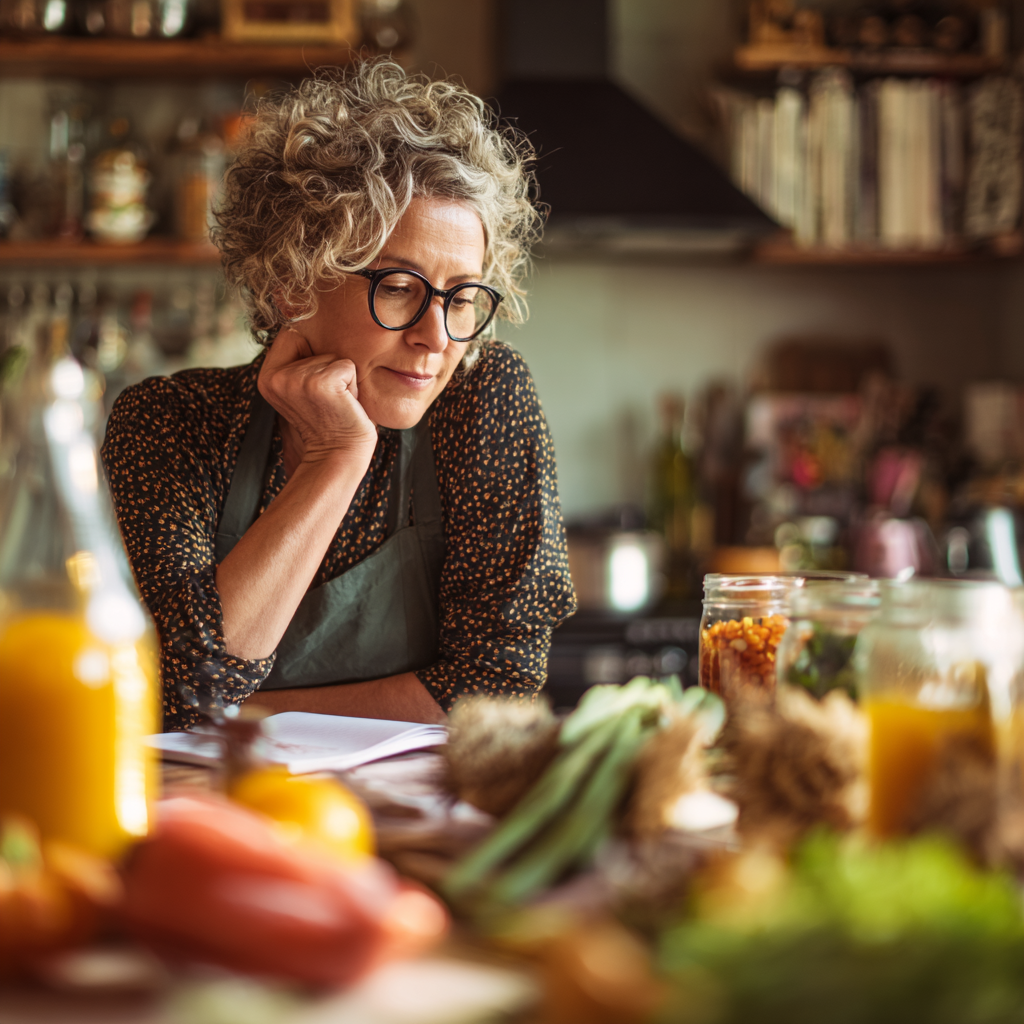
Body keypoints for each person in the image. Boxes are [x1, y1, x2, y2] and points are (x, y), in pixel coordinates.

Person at [102, 60, 576, 731]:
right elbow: (186, 681)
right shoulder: (173, 424)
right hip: (223, 817)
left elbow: (495, 690)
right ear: (292, 281)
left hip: (417, 828)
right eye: (400, 288)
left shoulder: (484, 400)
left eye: (462, 297)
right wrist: (336, 459)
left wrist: (244, 717)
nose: (436, 337)